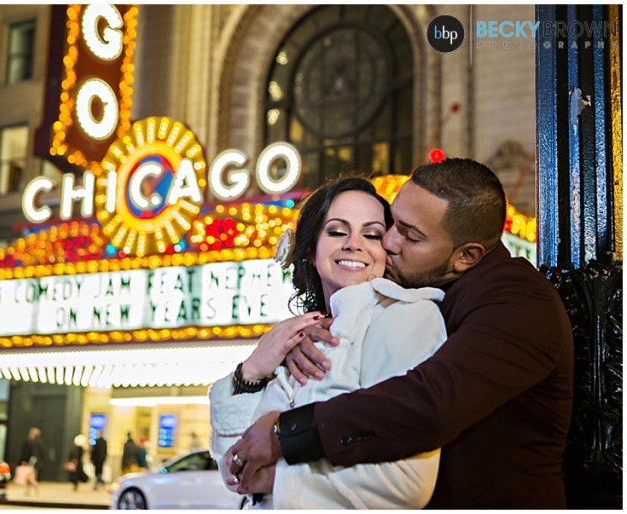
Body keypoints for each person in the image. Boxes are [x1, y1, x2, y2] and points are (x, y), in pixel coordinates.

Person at [226, 158, 574, 509]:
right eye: (392, 222)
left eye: (411, 235)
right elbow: (236, 458)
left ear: (466, 256)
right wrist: (293, 344)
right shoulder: (406, 289)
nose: (389, 241)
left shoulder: (519, 299)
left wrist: (287, 434)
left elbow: (430, 402)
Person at [209, 176, 448, 508]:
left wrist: (280, 477)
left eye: (372, 234)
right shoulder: (298, 341)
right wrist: (251, 371)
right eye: (337, 231)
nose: (354, 244)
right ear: (310, 249)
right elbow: (235, 470)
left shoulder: (409, 316)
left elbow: (408, 481)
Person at [18, 427, 45, 496]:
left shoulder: (28, 442)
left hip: (31, 462)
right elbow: (42, 453)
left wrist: (23, 460)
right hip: (36, 462)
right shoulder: (40, 442)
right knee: (31, 476)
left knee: (30, 477)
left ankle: (34, 488)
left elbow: (25, 452)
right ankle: (29, 490)